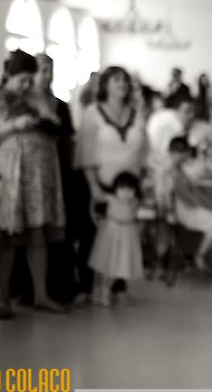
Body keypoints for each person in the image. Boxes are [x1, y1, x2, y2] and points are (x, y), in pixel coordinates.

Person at [0, 50, 67, 319]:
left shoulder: (36, 97)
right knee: (7, 239)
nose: (27, 85)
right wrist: (14, 126)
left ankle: (41, 295)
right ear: (8, 75)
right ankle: (3, 298)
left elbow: (53, 127)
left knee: (38, 237)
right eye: (22, 80)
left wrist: (44, 113)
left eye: (30, 79)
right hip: (9, 177)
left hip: (38, 178)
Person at [73, 66, 148, 305]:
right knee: (94, 237)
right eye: (116, 80)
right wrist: (93, 185)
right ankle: (87, 286)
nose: (122, 84)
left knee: (125, 236)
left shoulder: (136, 113)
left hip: (128, 189)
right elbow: (85, 150)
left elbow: (144, 148)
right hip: (100, 184)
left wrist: (144, 182)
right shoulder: (93, 113)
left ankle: (118, 285)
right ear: (105, 85)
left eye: (125, 80)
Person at [157, 137, 212, 274]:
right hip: (181, 211)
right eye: (179, 152)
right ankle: (200, 256)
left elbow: (195, 194)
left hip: (187, 206)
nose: (183, 155)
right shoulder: (172, 172)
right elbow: (191, 199)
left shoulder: (178, 168)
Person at [87, 172, 144, 306]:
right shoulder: (111, 198)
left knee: (117, 265)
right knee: (104, 264)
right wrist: (95, 218)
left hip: (126, 235)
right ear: (115, 189)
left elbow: (142, 215)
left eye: (130, 189)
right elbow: (95, 198)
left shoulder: (136, 202)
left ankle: (106, 290)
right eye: (122, 189)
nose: (126, 193)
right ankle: (98, 292)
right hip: (110, 234)